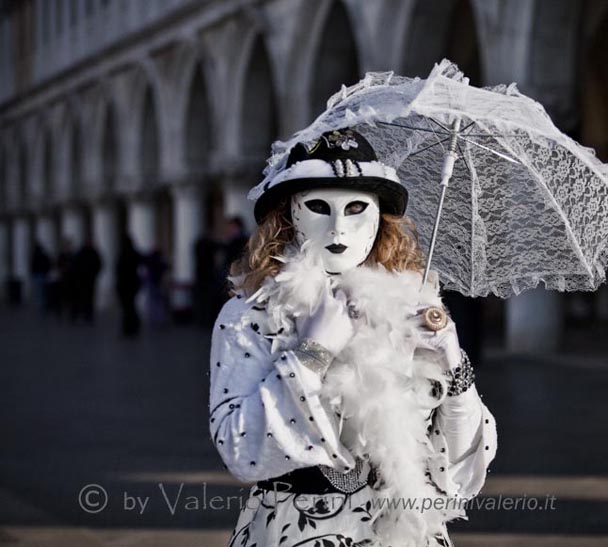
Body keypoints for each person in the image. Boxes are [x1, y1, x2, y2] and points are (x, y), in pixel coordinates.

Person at [209, 129, 497, 547]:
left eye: (357, 207)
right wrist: (312, 353)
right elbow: (240, 448)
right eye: (319, 207)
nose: (339, 226)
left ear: (381, 216)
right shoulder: (250, 314)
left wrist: (454, 367)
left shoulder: (410, 305)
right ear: (289, 214)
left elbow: (461, 470)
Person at [115, 234, 142, 336]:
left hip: (125, 286)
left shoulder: (123, 254)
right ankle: (132, 327)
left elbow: (118, 271)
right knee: (130, 307)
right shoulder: (133, 253)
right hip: (131, 285)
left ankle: (129, 328)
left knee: (127, 308)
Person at [72, 237, 103, 324]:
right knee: (83, 298)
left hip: (90, 279)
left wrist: (95, 273)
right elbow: (76, 266)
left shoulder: (93, 253)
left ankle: (88, 315)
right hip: (82, 280)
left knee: (89, 298)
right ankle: (83, 314)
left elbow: (99, 264)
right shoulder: (81, 253)